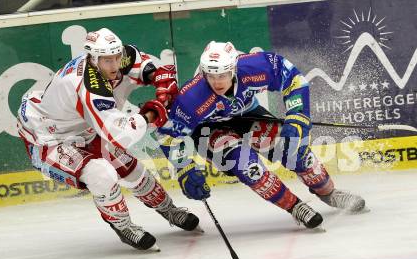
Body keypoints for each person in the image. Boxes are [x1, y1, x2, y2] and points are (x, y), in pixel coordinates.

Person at [17, 28, 200, 251]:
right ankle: (123, 226)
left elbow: (144, 64)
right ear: (93, 59)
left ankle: (169, 210)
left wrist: (161, 80)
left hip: (83, 127)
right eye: (107, 60)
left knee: (131, 169)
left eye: (116, 57)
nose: (114, 65)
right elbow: (120, 135)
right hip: (48, 138)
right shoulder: (89, 87)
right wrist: (152, 113)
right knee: (101, 173)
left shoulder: (116, 58)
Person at [155, 41, 366, 230]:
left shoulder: (254, 66)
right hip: (209, 129)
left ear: (234, 69)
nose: (217, 82)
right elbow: (168, 135)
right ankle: (295, 207)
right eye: (211, 75)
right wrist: (184, 167)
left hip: (248, 115)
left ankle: (328, 192)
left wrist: (297, 116)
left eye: (223, 75)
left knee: (293, 149)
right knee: (248, 166)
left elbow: (294, 79)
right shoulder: (191, 97)